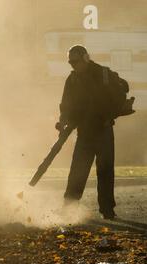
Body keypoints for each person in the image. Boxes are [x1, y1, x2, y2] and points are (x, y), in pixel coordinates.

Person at [56, 45, 133, 220]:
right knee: (78, 170)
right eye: (70, 62)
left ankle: (107, 211)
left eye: (75, 61)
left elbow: (125, 87)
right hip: (84, 132)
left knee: (105, 171)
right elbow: (65, 104)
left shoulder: (103, 73)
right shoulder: (72, 80)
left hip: (103, 130)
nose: (73, 65)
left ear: (85, 58)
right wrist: (62, 121)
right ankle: (69, 208)